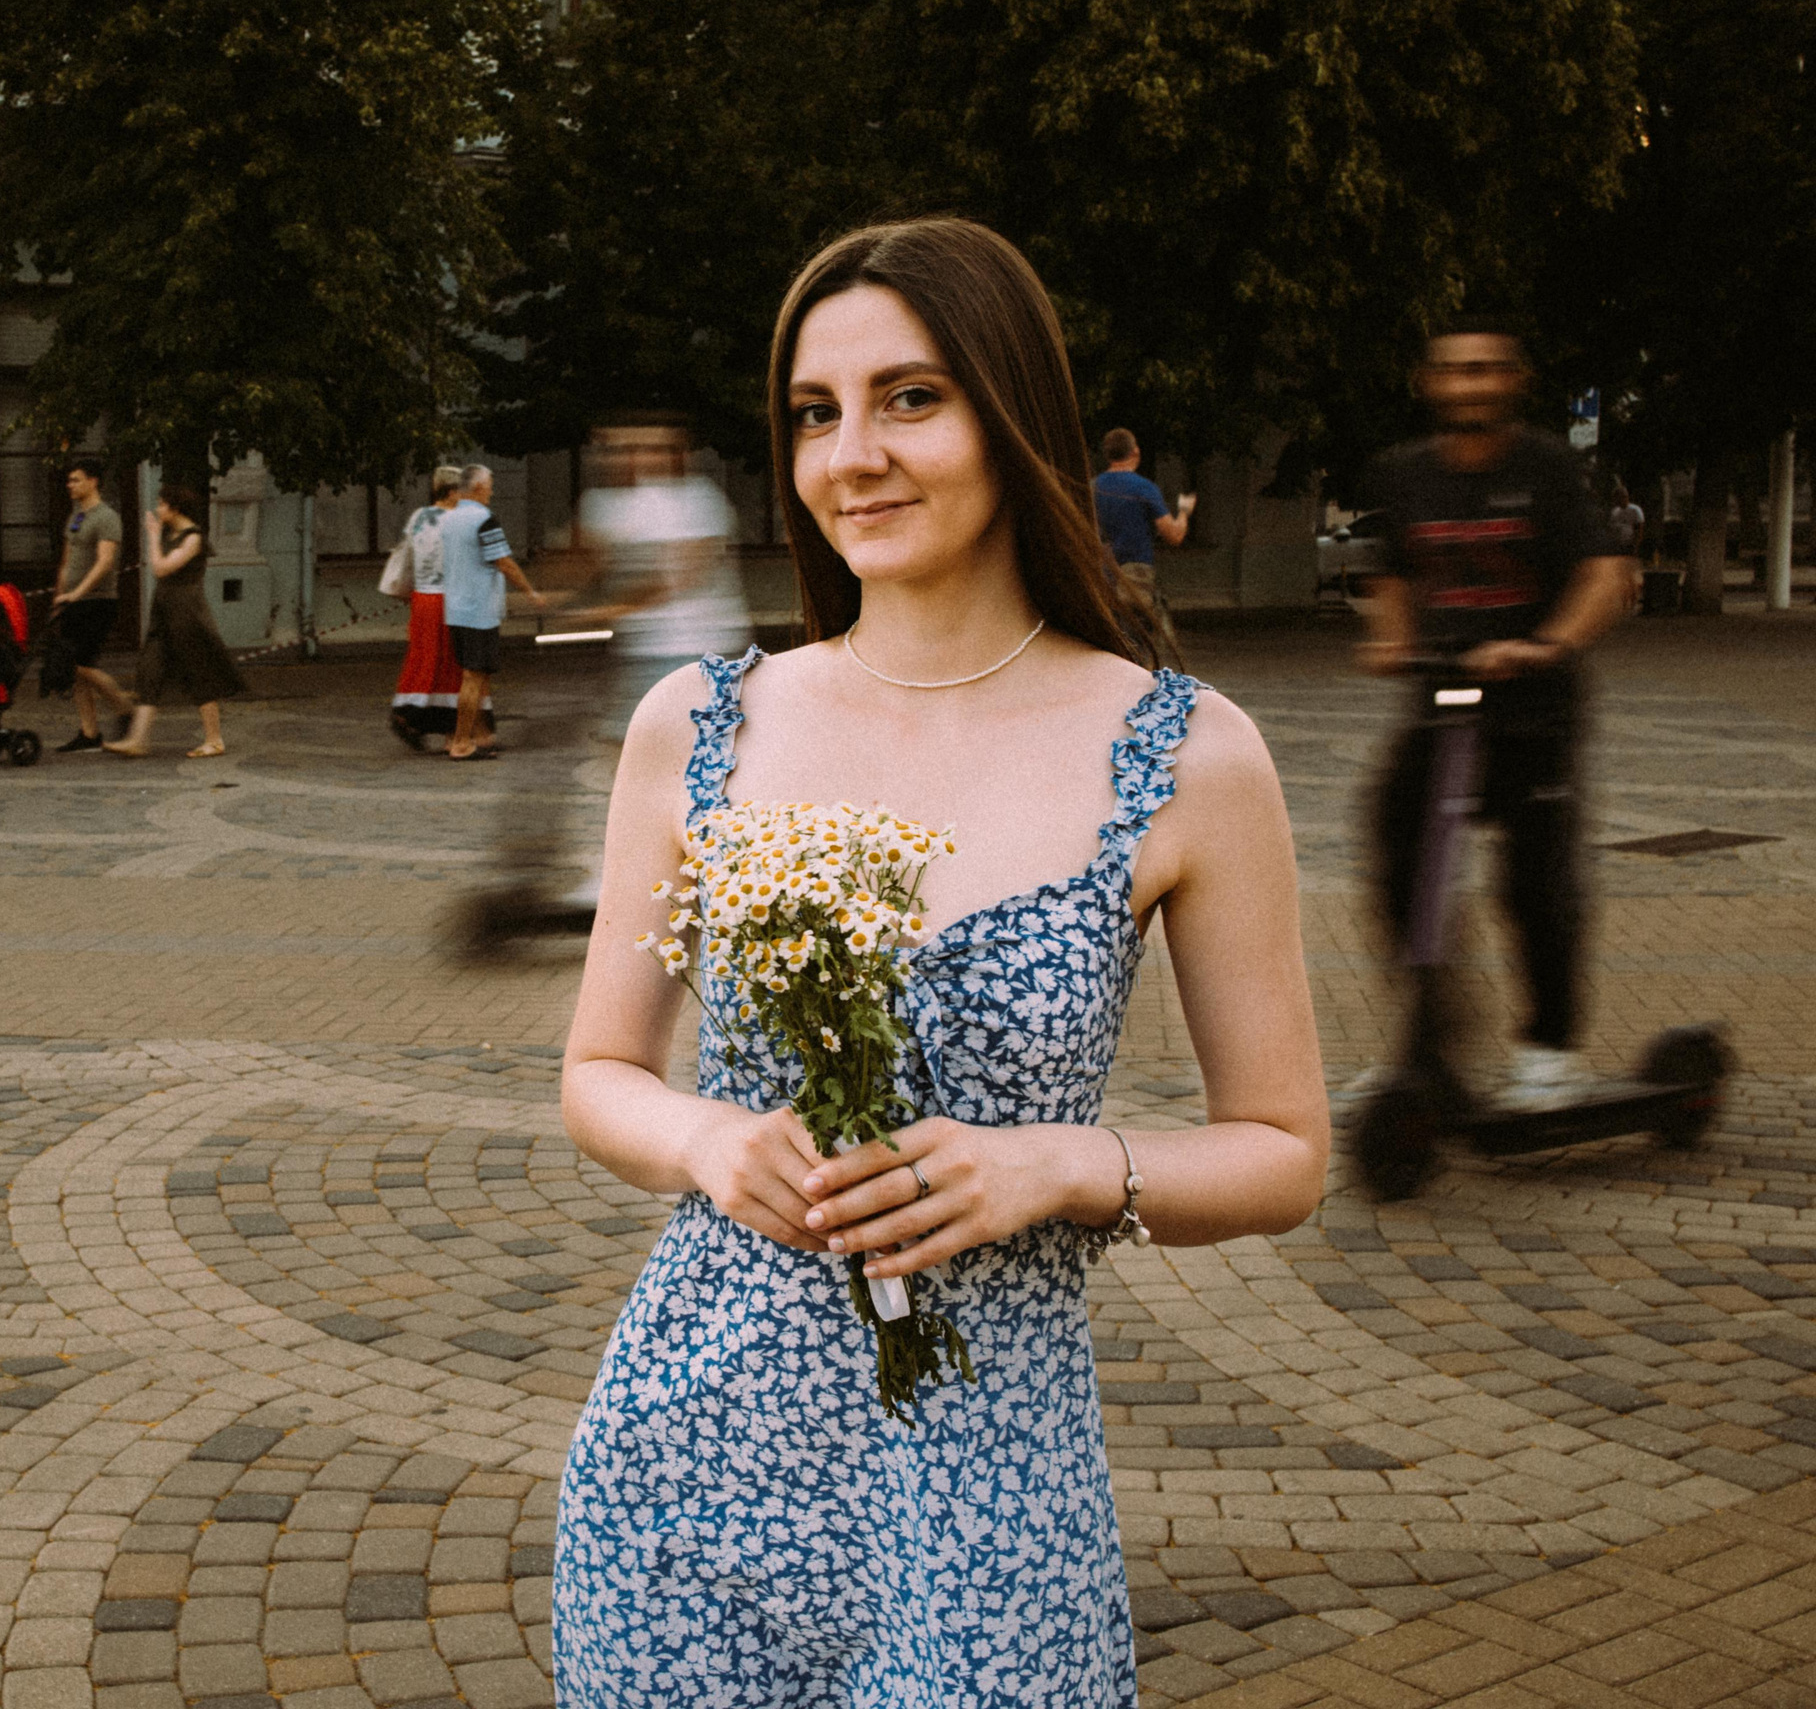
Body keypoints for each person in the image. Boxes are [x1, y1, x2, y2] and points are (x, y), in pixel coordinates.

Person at [551, 217, 1327, 1706]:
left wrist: (1063, 1167)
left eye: (911, 398)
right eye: (814, 413)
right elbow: (598, 1074)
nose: (853, 456)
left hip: (991, 1499)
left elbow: (1287, 1151)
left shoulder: (1187, 755)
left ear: (1011, 411)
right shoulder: (701, 726)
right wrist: (711, 1140)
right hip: (686, 1471)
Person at [1359, 320, 1629, 1109]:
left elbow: (1603, 576)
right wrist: (1390, 643)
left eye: (1486, 370)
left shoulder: (1547, 468)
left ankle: (1549, 1049)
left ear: (1514, 380)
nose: (1470, 384)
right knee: (1404, 858)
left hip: (1534, 712)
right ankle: (1429, 1041)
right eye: (1455, 371)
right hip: (1443, 707)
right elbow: (1392, 577)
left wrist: (1547, 644)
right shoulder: (1401, 474)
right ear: (1429, 383)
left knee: (1536, 884)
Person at [575, 422, 751, 740]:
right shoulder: (613, 503)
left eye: (651, 449)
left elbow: (685, 575)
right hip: (643, 649)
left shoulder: (698, 499)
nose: (638, 457)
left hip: (700, 648)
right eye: (620, 450)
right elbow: (587, 562)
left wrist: (614, 608)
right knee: (638, 749)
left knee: (691, 751)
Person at [110, 484, 244, 759]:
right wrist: (157, 536)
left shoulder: (193, 538)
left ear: (175, 507)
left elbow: (161, 568)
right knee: (150, 671)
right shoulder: (171, 534)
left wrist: (151, 536)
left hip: (186, 615)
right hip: (164, 613)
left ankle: (214, 739)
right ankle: (137, 740)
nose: (158, 509)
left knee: (199, 673)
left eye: (161, 504)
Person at [438, 464, 544, 761]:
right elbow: (504, 562)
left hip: (456, 609)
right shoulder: (483, 519)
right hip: (478, 611)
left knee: (479, 675)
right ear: (478, 487)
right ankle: (461, 742)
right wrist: (530, 591)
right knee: (474, 677)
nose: (493, 490)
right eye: (490, 485)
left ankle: (484, 736)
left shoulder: (451, 518)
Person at [387, 465, 485, 750]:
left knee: (422, 658)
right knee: (454, 665)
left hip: (422, 599)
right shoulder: (459, 520)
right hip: (450, 600)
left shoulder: (419, 517)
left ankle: (408, 713)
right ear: (453, 491)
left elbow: (406, 557)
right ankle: (450, 731)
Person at [1092, 428, 1194, 661]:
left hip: (1102, 574)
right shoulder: (1144, 488)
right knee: (1141, 644)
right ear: (1135, 451)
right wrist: (1185, 511)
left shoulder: (1093, 486)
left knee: (1110, 643)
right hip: (1136, 575)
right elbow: (1174, 535)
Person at [52, 458, 131, 753]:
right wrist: (60, 596)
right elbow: (67, 560)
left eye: (76, 480)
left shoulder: (107, 517)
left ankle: (125, 708)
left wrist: (78, 592)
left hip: (98, 602)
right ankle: (89, 732)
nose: (70, 485)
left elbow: (105, 562)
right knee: (75, 670)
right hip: (71, 602)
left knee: (82, 665)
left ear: (93, 481)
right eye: (69, 480)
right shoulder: (77, 516)